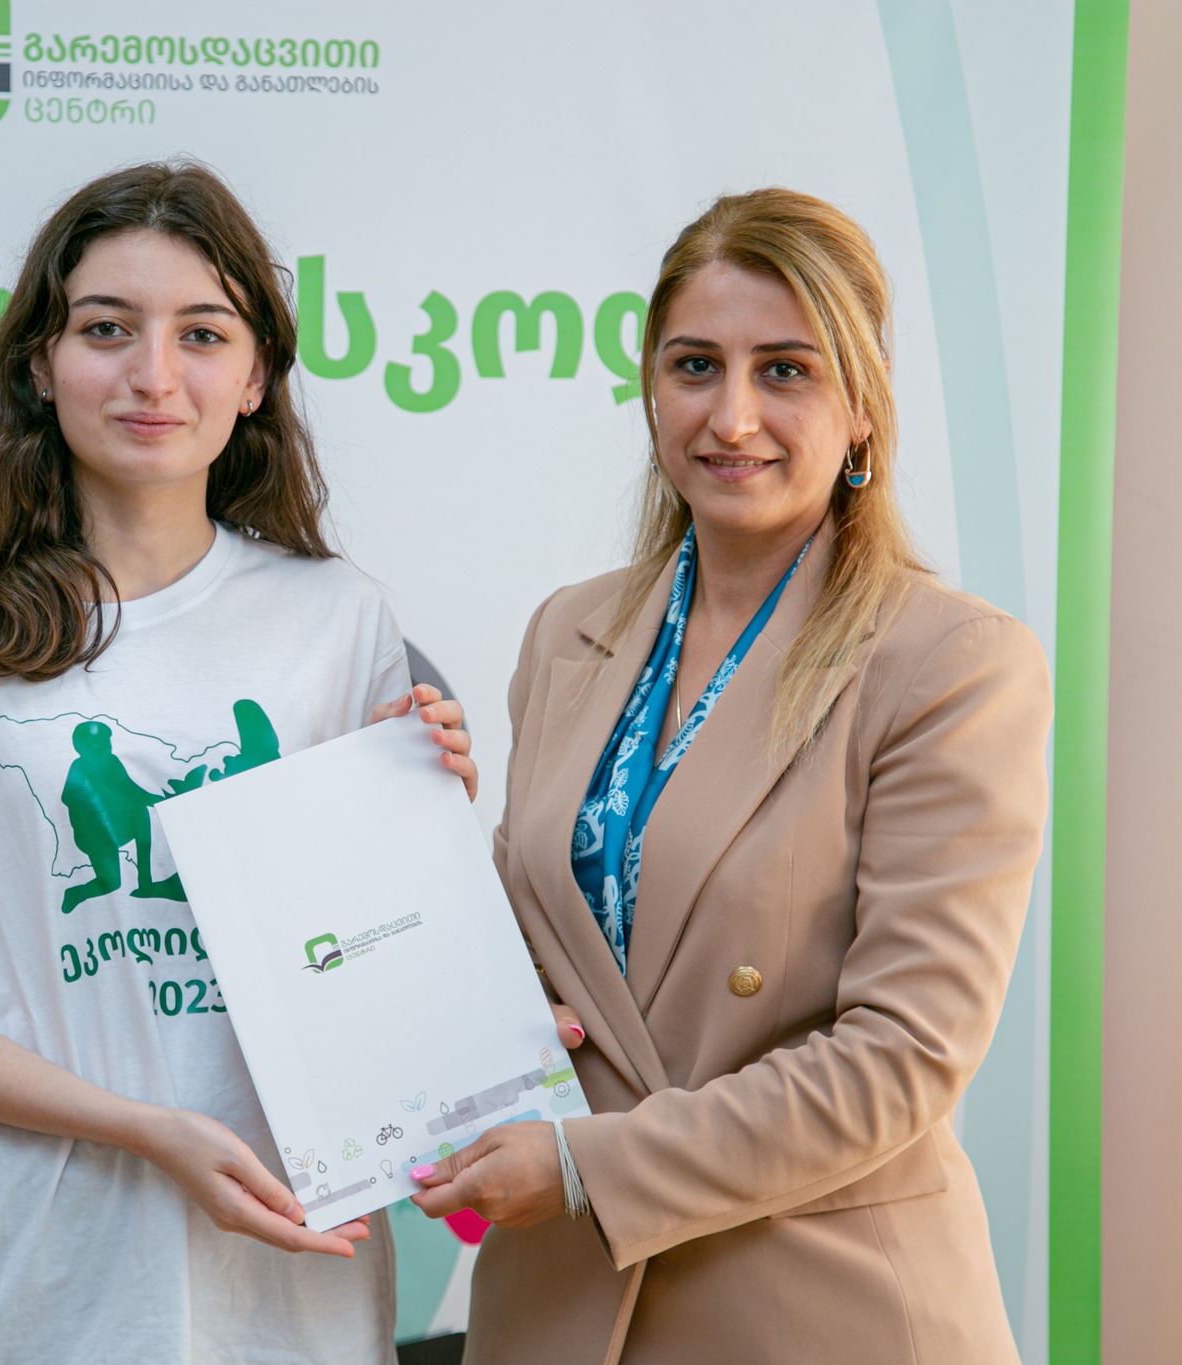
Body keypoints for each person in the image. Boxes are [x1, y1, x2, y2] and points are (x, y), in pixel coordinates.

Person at [0, 161, 475, 1364]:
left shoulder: (336, 618)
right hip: (16, 1300)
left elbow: (369, 976)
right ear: (38, 365)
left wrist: (429, 833)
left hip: (284, 1308)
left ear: (256, 376)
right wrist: (143, 1128)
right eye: (106, 330)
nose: (153, 375)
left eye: (201, 334)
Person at [410, 188, 1051, 1364]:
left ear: (862, 407)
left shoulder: (950, 663)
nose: (731, 415)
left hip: (813, 1307)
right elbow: (551, 963)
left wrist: (584, 1167)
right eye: (694, 365)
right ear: (651, 388)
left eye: (785, 371)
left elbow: (901, 1058)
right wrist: (407, 819)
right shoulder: (567, 632)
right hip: (560, 1308)